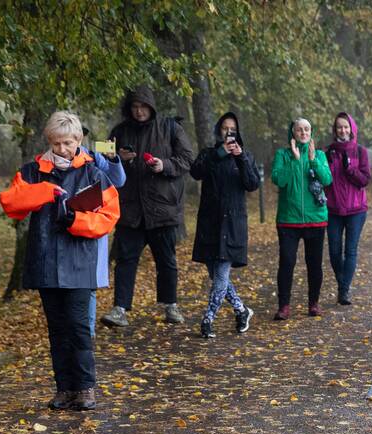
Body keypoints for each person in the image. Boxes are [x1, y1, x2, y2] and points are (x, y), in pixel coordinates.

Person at [0, 110, 120, 410]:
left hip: (80, 262)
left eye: (67, 142)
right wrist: (43, 191)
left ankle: (85, 388)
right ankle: (64, 389)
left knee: (79, 327)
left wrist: (74, 219)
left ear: (79, 139)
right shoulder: (32, 171)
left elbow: (109, 216)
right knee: (57, 329)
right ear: (49, 142)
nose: (62, 149)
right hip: (45, 261)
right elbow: (11, 203)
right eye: (56, 143)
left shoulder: (94, 172)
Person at [101, 86, 194, 328]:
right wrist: (117, 159)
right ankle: (119, 309)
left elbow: (187, 159)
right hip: (130, 209)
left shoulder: (170, 127)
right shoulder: (120, 131)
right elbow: (101, 156)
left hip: (162, 208)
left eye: (143, 106)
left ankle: (171, 305)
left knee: (166, 260)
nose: (139, 111)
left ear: (151, 107)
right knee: (125, 260)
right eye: (134, 107)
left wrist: (164, 165)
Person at [190, 112, 259, 338]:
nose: (229, 133)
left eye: (233, 130)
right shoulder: (210, 154)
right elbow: (196, 171)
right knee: (218, 275)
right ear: (218, 131)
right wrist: (220, 153)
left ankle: (208, 319)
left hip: (233, 225)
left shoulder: (245, 156)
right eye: (225, 128)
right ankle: (241, 310)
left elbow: (252, 184)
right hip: (210, 224)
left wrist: (240, 158)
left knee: (220, 276)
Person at [271, 118, 332, 319]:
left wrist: (313, 159)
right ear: (293, 133)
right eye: (299, 130)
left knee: (314, 263)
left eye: (307, 129)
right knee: (287, 262)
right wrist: (295, 161)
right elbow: (279, 180)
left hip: (315, 218)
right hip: (289, 219)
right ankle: (284, 306)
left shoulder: (320, 154)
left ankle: (313, 303)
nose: (303, 133)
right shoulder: (283, 154)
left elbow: (327, 180)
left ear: (311, 132)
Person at [325, 112, 371, 305]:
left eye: (346, 127)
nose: (342, 130)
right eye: (339, 127)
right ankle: (342, 282)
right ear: (335, 130)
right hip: (333, 209)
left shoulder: (360, 152)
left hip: (356, 210)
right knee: (334, 251)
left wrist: (350, 169)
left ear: (352, 129)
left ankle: (343, 290)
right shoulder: (328, 152)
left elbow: (365, 180)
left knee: (350, 250)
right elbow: (324, 179)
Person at [81, 139, 125, 336]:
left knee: (89, 286)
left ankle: (87, 336)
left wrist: (113, 159)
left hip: (92, 228)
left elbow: (119, 180)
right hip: (65, 231)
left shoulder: (93, 157)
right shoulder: (51, 161)